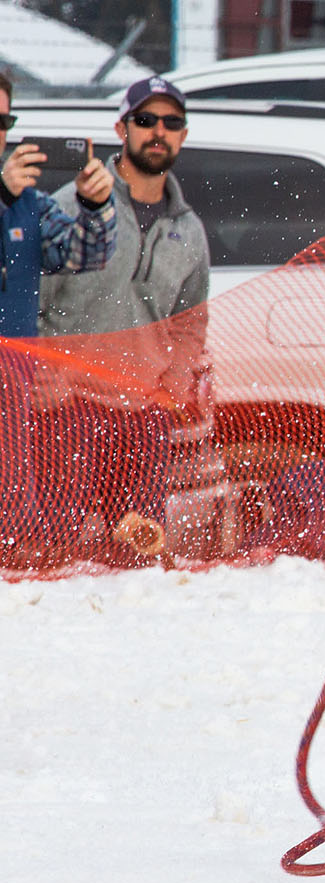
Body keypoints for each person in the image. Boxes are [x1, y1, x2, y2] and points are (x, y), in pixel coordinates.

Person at [38, 75, 211, 565]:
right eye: (145, 120)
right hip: (65, 414)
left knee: (135, 556)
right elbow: (30, 301)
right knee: (55, 553)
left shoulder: (188, 229)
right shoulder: (72, 207)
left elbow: (189, 321)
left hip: (143, 419)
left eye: (171, 122)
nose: (158, 131)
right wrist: (40, 373)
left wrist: (175, 381)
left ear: (183, 134)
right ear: (121, 128)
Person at [0, 69, 118, 566]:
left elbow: (84, 255)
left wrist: (96, 206)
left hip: (13, 388)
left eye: (3, 118)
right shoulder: (10, 195)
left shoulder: (29, 201)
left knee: (14, 511)